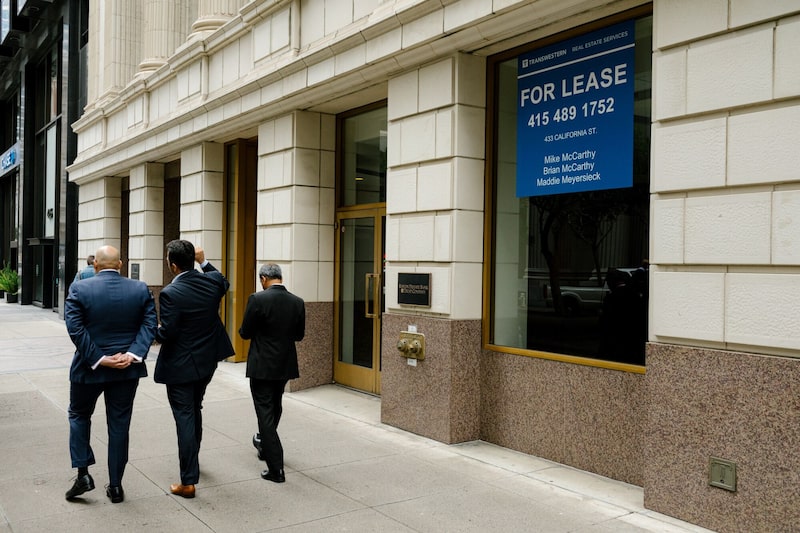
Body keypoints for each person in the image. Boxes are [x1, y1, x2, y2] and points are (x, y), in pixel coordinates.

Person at [64, 245, 157, 504]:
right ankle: (116, 486)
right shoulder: (140, 289)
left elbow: (75, 328)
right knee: (119, 424)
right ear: (120, 264)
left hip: (88, 369)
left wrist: (99, 358)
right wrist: (132, 354)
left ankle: (83, 473)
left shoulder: (79, 289)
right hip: (126, 370)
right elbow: (150, 324)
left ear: (95, 265)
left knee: (79, 415)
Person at [154, 240, 234, 498]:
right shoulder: (211, 283)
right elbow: (223, 281)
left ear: (172, 265)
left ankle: (188, 481)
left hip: (181, 366)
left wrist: (153, 329)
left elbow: (167, 333)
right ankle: (193, 460)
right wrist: (204, 261)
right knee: (194, 408)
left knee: (185, 416)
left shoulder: (170, 293)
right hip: (207, 361)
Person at [239, 263, 305, 483]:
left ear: (263, 278)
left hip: (262, 365)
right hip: (284, 364)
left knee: (264, 412)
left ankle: (276, 468)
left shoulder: (257, 299)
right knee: (275, 405)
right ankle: (266, 444)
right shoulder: (297, 302)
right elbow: (299, 335)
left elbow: (245, 332)